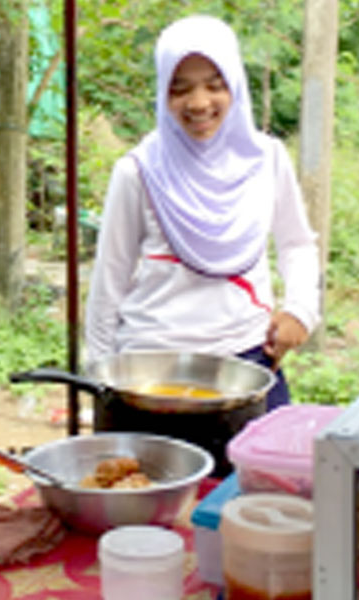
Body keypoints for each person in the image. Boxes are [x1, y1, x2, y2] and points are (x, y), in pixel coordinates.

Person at [85, 14, 320, 412]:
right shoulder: (138, 171)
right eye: (180, 89)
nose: (198, 103)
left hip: (244, 362)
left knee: (265, 473)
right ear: (162, 93)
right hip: (150, 369)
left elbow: (297, 244)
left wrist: (301, 309)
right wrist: (99, 380)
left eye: (215, 85)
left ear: (236, 84)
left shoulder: (267, 160)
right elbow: (110, 278)